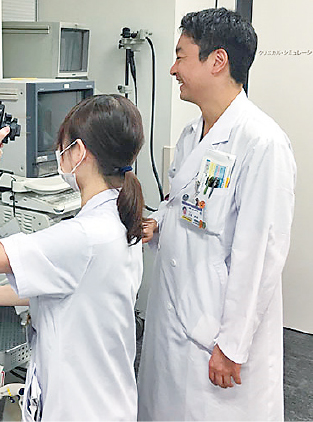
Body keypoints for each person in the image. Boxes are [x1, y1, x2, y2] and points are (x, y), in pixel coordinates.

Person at [0, 94, 145, 421]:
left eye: (62, 146)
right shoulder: (120, 216)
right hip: (105, 399)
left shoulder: (83, 236)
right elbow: (66, 288)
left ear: (79, 152)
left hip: (79, 409)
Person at [137, 8, 296, 421]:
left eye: (180, 56)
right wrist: (159, 222)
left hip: (217, 331)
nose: (173, 69)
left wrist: (232, 346)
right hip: (175, 312)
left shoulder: (262, 143)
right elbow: (185, 205)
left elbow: (260, 254)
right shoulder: (192, 134)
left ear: (217, 61)